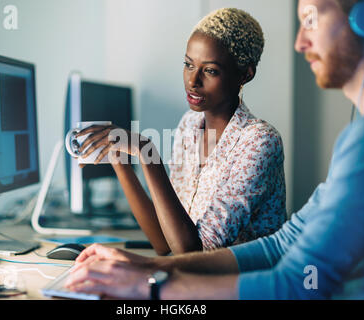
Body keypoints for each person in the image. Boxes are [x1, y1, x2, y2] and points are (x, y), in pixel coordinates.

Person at [65, 0, 364, 300]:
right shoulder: (189, 127)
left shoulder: (266, 141)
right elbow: (280, 245)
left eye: (312, 20)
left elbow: (292, 283)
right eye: (188, 65)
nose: (299, 43)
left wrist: (150, 286)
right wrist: (145, 267)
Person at [75, 8, 286, 255]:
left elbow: (192, 252)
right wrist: (119, 160)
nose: (192, 80)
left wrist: (146, 152)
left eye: (210, 70)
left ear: (245, 74)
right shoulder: (190, 124)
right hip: (197, 282)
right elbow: (165, 244)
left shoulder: (260, 142)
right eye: (188, 64)